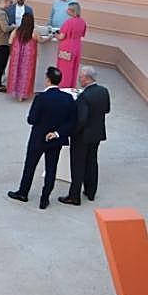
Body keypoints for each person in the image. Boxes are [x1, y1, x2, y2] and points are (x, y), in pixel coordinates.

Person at [8, 66, 77, 209]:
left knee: (30, 166)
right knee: (51, 169)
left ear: (48, 80)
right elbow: (72, 121)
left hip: (38, 138)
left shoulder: (41, 98)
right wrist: (57, 133)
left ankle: (23, 193)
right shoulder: (68, 98)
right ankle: (44, 199)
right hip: (55, 140)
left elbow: (32, 119)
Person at [59, 66, 111, 206]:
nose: (79, 79)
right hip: (97, 133)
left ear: (87, 79)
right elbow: (106, 109)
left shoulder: (84, 96)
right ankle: (90, 191)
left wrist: (73, 132)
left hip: (82, 136)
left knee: (78, 165)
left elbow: (82, 119)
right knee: (92, 162)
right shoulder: (104, 91)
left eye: (81, 77)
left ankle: (74, 196)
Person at [6, 14, 51, 101]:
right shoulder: (33, 32)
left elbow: (10, 41)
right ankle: (22, 94)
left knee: (16, 71)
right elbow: (41, 40)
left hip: (17, 55)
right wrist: (49, 37)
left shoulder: (17, 30)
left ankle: (15, 91)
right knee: (26, 73)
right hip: (28, 56)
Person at [55, 1, 86, 89]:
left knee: (64, 69)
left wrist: (55, 35)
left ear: (72, 11)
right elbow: (82, 35)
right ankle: (71, 86)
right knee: (73, 68)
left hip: (66, 48)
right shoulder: (83, 22)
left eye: (68, 9)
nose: (66, 10)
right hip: (77, 47)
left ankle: (63, 87)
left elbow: (61, 37)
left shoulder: (69, 22)